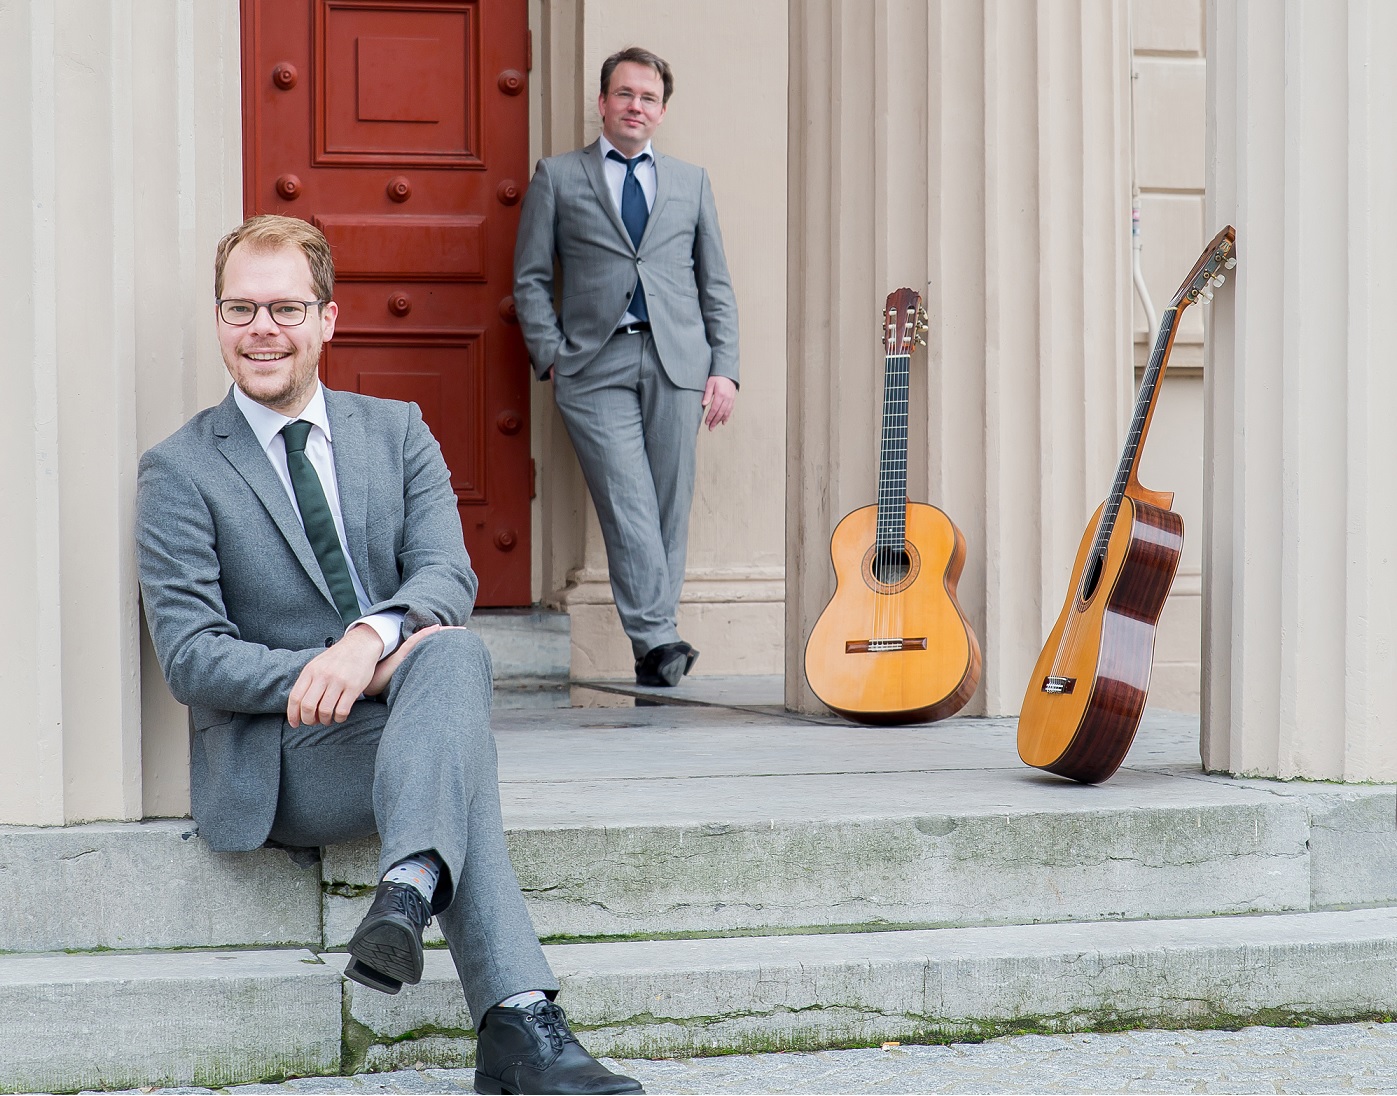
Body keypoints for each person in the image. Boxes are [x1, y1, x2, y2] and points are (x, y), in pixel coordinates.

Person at [135, 214, 642, 1096]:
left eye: (286, 308)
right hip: (286, 757)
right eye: (240, 308)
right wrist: (331, 671)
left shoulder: (397, 431)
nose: (262, 330)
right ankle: (518, 1022)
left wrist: (368, 638)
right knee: (457, 723)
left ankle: (410, 894)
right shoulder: (179, 469)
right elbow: (192, 657)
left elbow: (448, 572)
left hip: (402, 721)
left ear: (329, 320)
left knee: (452, 654)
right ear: (218, 321)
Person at [513, 46, 740, 687]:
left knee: (669, 504)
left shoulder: (691, 181)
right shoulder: (558, 176)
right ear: (603, 102)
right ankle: (659, 635)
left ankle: (651, 652)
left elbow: (714, 283)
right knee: (628, 497)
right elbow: (530, 278)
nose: (634, 106)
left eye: (647, 97)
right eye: (624, 94)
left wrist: (724, 368)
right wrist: (551, 353)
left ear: (661, 111)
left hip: (679, 363)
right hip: (592, 363)